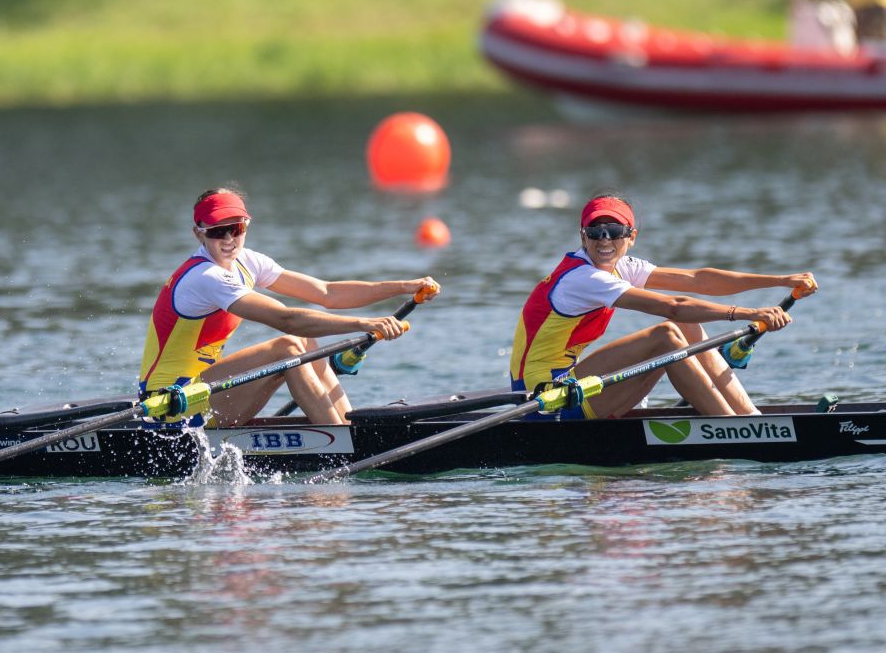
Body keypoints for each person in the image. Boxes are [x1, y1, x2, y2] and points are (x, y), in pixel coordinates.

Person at [139, 186, 440, 428]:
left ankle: (346, 427)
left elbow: (328, 293)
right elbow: (286, 319)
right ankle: (341, 442)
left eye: (236, 228)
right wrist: (366, 324)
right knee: (288, 347)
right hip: (170, 408)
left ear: (246, 226)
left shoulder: (248, 262)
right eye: (218, 231)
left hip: (205, 395)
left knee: (305, 342)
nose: (229, 239)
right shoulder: (205, 276)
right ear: (199, 233)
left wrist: (404, 286)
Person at [509, 193, 817, 419]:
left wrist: (781, 280)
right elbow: (674, 306)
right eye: (594, 232)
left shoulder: (621, 267)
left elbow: (699, 280)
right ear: (583, 236)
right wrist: (749, 313)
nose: (604, 240)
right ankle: (734, 429)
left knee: (683, 327)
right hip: (544, 398)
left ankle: (749, 418)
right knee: (666, 336)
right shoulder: (582, 277)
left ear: (631, 237)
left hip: (571, 385)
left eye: (614, 232)